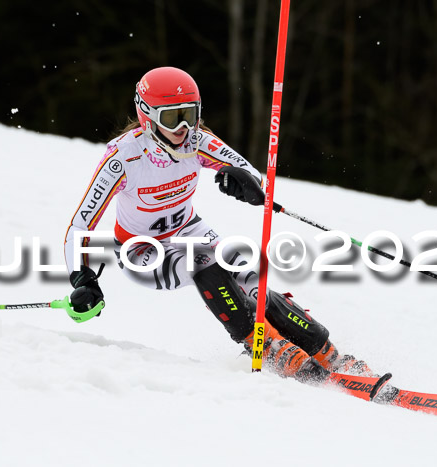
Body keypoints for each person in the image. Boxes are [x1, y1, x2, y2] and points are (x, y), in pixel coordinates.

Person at [63, 66, 373, 384]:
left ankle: (325, 351)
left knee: (250, 278)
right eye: (172, 118)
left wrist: (244, 182)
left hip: (189, 229)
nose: (184, 128)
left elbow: (247, 171)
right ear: (148, 117)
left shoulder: (197, 141)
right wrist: (82, 277)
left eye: (190, 114)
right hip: (142, 250)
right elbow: (80, 224)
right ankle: (263, 344)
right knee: (203, 262)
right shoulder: (123, 159)